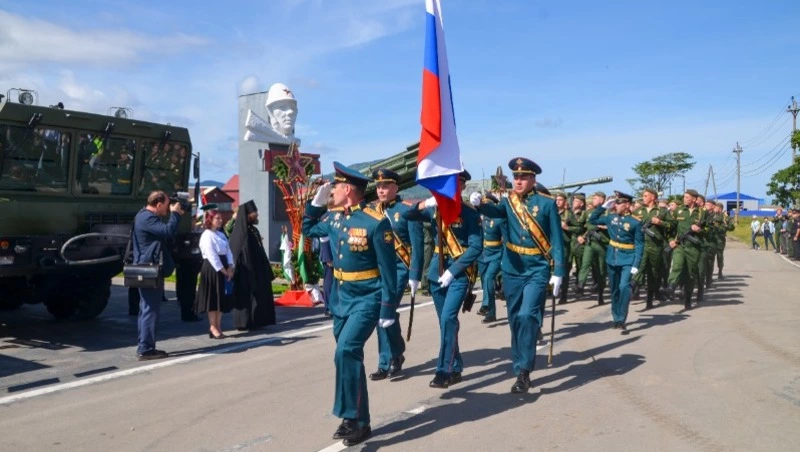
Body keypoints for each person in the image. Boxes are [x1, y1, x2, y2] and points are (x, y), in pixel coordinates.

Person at [302, 162, 398, 447]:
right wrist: (315, 204)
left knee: (347, 350)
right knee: (345, 356)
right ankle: (362, 422)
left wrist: (388, 309)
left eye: (336, 187)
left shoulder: (375, 222)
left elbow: (389, 271)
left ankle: (350, 418)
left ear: (349, 190)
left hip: (368, 297)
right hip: (342, 299)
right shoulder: (334, 219)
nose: (332, 191)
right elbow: (308, 229)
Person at [472, 157, 564, 394]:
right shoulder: (509, 201)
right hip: (512, 268)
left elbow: (557, 239)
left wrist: (559, 271)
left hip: (536, 268)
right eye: (516, 177)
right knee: (515, 320)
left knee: (526, 315)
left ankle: (524, 370)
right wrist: (479, 204)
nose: (519, 181)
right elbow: (494, 210)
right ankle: (519, 367)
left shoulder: (547, 204)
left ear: (533, 179)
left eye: (523, 177)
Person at [405, 170, 482, 389]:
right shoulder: (435, 208)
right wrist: (424, 204)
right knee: (445, 323)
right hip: (436, 273)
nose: (450, 188)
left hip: (457, 275)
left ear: (463, 187)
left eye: (455, 184)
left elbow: (476, 246)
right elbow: (408, 215)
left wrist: (453, 271)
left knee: (449, 319)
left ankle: (443, 370)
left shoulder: (469, 213)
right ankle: (456, 365)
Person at [367, 168, 424, 381]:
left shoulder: (407, 210)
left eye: (386, 186)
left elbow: (417, 245)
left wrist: (415, 274)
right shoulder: (371, 211)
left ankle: (391, 359)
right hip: (378, 269)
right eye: (379, 186)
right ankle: (392, 356)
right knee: (382, 315)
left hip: (399, 268)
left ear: (396, 188)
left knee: (385, 311)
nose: (381, 190)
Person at [133, 191, 183, 360]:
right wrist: (175, 214)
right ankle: (146, 349)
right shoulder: (147, 218)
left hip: (148, 268)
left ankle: (145, 346)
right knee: (150, 310)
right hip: (149, 269)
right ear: (159, 204)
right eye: (167, 205)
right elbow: (168, 231)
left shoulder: (142, 216)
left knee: (146, 309)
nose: (168, 209)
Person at [589, 191, 643, 333]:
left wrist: (636, 264)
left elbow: (639, 244)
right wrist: (603, 207)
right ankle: (616, 318)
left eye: (619, 203)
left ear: (627, 205)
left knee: (624, 287)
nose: (616, 205)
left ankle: (621, 318)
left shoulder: (635, 222)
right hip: (612, 257)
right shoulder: (610, 217)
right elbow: (592, 220)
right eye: (615, 203)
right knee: (614, 290)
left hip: (628, 258)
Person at [230, 200, 276, 330]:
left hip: (258, 269)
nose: (256, 215)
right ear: (247, 214)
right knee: (247, 297)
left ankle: (259, 320)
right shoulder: (240, 232)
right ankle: (245, 322)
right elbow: (238, 252)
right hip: (246, 271)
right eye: (254, 213)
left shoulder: (253, 230)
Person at [663, 189, 706, 309]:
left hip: (694, 248)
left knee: (690, 274)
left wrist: (700, 230)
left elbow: (709, 230)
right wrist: (671, 239)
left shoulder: (702, 213)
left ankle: (688, 298)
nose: (684, 198)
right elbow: (671, 227)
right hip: (680, 245)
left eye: (687, 197)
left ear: (694, 199)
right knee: (677, 265)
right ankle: (671, 287)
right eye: (684, 196)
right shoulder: (679, 210)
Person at [195, 210, 234, 339]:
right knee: (213, 298)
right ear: (210, 220)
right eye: (217, 218)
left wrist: (230, 266)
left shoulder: (221, 234)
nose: (220, 220)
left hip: (224, 267)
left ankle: (218, 325)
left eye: (220, 218)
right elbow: (212, 255)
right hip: (212, 269)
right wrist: (222, 269)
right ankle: (213, 326)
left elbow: (228, 251)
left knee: (221, 297)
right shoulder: (207, 235)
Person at [631, 188, 671, 310]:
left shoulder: (662, 211)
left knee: (653, 273)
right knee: (639, 266)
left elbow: (672, 226)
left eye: (646, 195)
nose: (643, 197)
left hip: (655, 246)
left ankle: (650, 299)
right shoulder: (638, 211)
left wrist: (660, 223)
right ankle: (633, 284)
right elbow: (630, 225)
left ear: (653, 197)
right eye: (643, 195)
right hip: (641, 244)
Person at [576, 191, 609, 305]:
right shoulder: (588, 213)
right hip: (590, 243)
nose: (593, 200)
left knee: (601, 271)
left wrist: (605, 227)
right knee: (585, 264)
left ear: (601, 200)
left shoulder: (608, 213)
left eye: (595, 198)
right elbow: (579, 227)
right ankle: (581, 284)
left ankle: (600, 293)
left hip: (603, 245)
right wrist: (580, 236)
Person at [477, 212, 504, 323]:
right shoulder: (478, 219)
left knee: (489, 277)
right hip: (482, 255)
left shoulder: (498, 219)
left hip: (496, 254)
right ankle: (491, 314)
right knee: (486, 283)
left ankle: (486, 305)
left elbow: (506, 238)